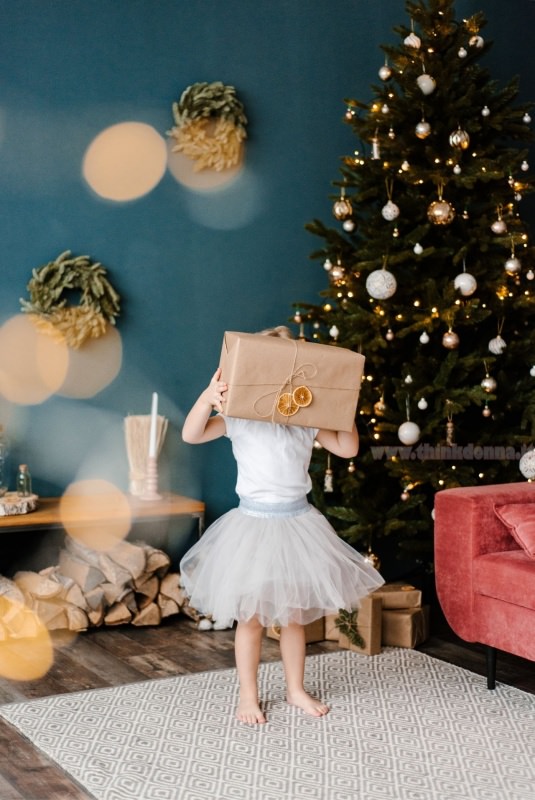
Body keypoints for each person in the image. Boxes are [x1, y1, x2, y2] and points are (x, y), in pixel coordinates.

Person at [179, 327, 384, 725]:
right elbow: (192, 434)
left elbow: (348, 447)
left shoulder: (306, 421)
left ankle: (295, 689)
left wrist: (341, 408)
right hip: (253, 526)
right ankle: (248, 696)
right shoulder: (239, 418)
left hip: (297, 524)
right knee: (251, 620)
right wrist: (208, 397)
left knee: (292, 618)